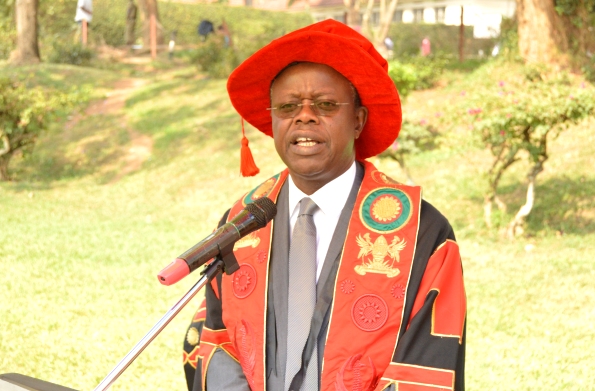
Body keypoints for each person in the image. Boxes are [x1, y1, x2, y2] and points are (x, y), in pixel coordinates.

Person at [183, 20, 466, 391]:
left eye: (326, 104)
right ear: (272, 120)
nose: (304, 115)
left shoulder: (422, 233)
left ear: (358, 120)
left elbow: (426, 369)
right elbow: (214, 340)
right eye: (287, 106)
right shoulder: (242, 224)